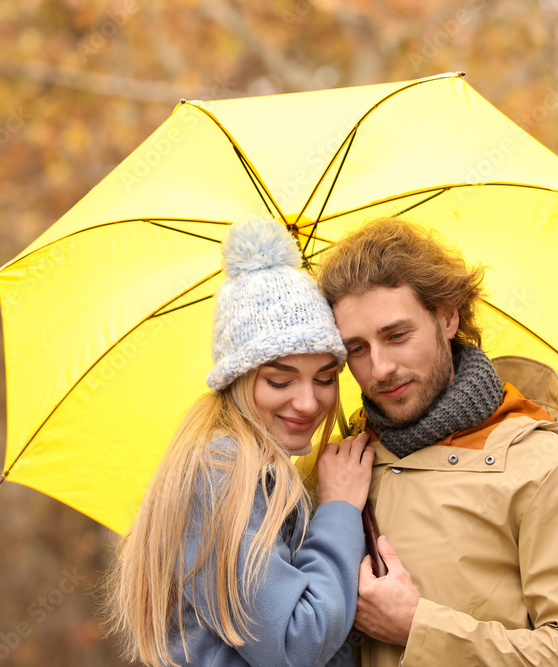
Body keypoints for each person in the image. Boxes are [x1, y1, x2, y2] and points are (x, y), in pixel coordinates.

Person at [316, 217, 558, 666]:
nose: (379, 368)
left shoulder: (545, 468)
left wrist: (418, 628)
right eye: (357, 349)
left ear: (447, 316)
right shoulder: (335, 468)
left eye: (397, 335)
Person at [103, 217, 375, 667]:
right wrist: (340, 509)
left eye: (325, 378)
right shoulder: (222, 472)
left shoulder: (246, 465)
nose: (308, 403)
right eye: (279, 381)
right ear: (238, 380)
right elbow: (295, 644)